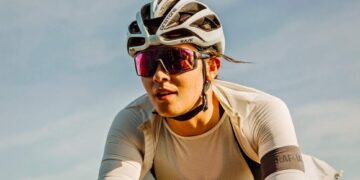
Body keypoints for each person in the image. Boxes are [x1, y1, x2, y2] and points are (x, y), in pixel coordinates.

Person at [98, 0, 342, 179]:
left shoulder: (260, 111)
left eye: (176, 60)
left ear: (212, 66)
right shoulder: (132, 123)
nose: (159, 75)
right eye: (147, 63)